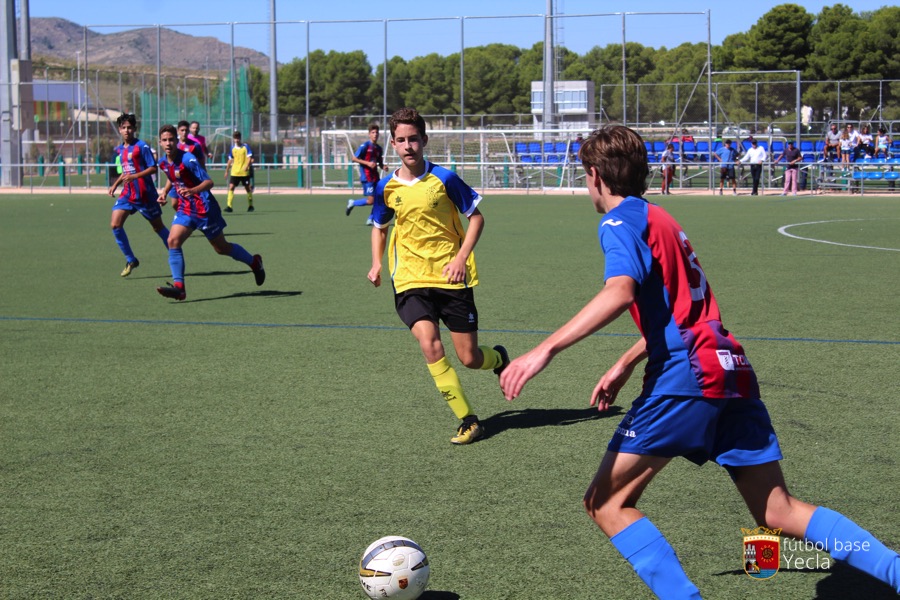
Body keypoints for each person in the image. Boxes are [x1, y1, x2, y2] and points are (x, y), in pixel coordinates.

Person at [498, 124, 900, 599]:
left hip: (686, 375)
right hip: (728, 366)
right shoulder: (661, 217)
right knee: (779, 513)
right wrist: (628, 358)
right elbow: (687, 309)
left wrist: (544, 349)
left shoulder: (618, 221)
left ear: (594, 174)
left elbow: (619, 290)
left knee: (606, 502)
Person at [366, 107, 509, 445]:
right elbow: (379, 227)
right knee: (430, 344)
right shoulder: (386, 186)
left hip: (450, 275)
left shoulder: (445, 179)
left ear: (424, 140)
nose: (407, 146)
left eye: (413, 139)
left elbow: (477, 218)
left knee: (469, 358)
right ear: (393, 144)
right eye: (400, 140)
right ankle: (468, 419)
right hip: (410, 279)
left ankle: (499, 357)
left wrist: (461, 257)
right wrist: (375, 263)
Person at [154, 124, 265, 301]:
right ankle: (179, 288)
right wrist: (165, 192)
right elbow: (172, 177)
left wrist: (192, 191)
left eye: (171, 140)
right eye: (164, 140)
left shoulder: (187, 158)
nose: (168, 143)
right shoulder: (162, 162)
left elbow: (209, 182)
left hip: (204, 208)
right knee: (172, 240)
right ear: (159, 142)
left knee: (221, 248)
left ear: (177, 141)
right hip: (186, 208)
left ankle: (254, 262)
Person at [107, 112, 170, 277]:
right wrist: (115, 185)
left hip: (145, 195)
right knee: (115, 225)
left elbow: (153, 168)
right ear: (120, 130)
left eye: (129, 127)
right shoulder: (121, 149)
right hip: (128, 194)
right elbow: (126, 170)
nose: (127, 130)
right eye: (123, 128)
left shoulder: (142, 146)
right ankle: (131, 259)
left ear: (134, 129)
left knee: (158, 227)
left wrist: (134, 177)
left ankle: (174, 251)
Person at [346, 123, 385, 226]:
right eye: (373, 132)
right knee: (371, 201)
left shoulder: (379, 149)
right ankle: (353, 203)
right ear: (369, 134)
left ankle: (370, 219)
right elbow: (354, 158)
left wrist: (383, 166)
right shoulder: (365, 146)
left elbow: (379, 162)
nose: (375, 134)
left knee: (380, 198)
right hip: (367, 177)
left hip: (376, 177)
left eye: (377, 132)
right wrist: (367, 163)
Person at [224, 131, 254, 212]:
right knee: (231, 187)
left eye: (238, 138)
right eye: (235, 138)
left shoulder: (245, 147)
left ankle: (250, 205)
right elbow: (230, 160)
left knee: (247, 188)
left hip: (244, 173)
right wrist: (226, 171)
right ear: (233, 139)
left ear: (240, 138)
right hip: (235, 172)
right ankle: (229, 206)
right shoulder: (232, 148)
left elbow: (249, 158)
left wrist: (247, 166)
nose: (236, 140)